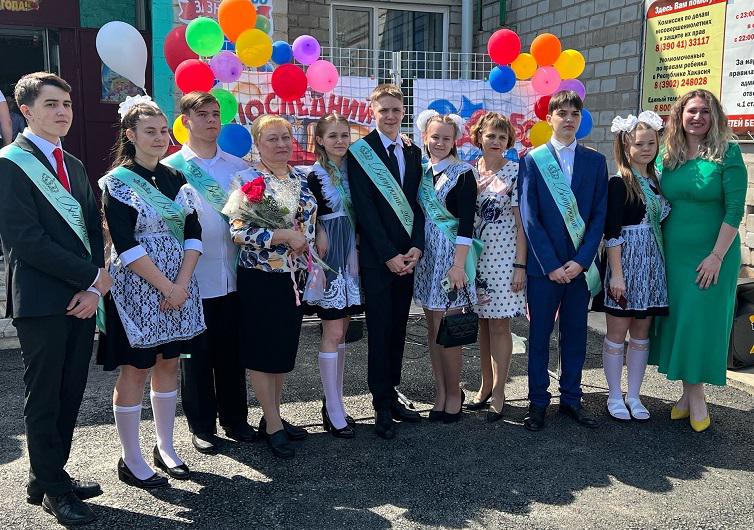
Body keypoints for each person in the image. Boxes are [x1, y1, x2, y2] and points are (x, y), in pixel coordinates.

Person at [0, 72, 111, 526]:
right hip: (42, 300)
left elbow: (91, 231)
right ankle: (54, 489)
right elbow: (25, 240)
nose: (63, 111)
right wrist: (91, 277)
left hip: (82, 297)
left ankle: (47, 476)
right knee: (45, 396)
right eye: (51, 104)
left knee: (70, 392)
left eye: (66, 103)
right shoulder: (10, 163)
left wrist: (94, 288)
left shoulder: (75, 165)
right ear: (26, 111)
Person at [97, 97, 205, 488]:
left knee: (169, 364)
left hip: (180, 284)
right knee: (137, 368)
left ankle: (166, 446)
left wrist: (181, 284)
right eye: (150, 131)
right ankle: (131, 457)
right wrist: (167, 286)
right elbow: (125, 244)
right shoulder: (117, 182)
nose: (160, 138)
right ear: (130, 135)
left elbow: (193, 233)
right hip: (137, 287)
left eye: (163, 131)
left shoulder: (176, 178)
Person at [649, 89, 747, 432]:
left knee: (698, 323)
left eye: (705, 111)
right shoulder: (668, 154)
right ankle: (686, 397)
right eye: (691, 110)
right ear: (680, 115)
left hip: (714, 255)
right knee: (680, 322)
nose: (698, 117)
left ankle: (697, 397)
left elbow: (735, 210)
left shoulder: (728, 152)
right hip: (673, 255)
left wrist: (716, 256)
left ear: (714, 116)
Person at [162, 92, 255, 454]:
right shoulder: (170, 169)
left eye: (216, 114)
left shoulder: (238, 167)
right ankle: (201, 426)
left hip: (234, 276)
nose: (212, 121)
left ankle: (236, 420)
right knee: (195, 358)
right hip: (191, 280)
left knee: (232, 354)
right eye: (202, 115)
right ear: (185, 121)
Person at [227, 115, 317, 459]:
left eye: (285, 138)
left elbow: (309, 221)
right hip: (261, 277)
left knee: (281, 350)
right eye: (272, 139)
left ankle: (272, 416)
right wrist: (282, 235)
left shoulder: (301, 178)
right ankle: (273, 425)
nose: (281, 144)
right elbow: (238, 232)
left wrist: (310, 238)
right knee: (263, 352)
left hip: (293, 278)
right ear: (257, 144)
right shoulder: (248, 180)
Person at [518, 90, 608, 432]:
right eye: (562, 113)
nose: (569, 119)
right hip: (545, 269)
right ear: (549, 118)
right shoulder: (533, 160)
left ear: (580, 119)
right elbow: (529, 217)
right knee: (539, 336)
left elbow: (599, 216)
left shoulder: (595, 162)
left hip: (578, 269)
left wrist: (582, 261)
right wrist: (552, 264)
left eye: (574, 114)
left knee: (575, 336)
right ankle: (537, 402)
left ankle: (571, 398)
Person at [348, 83, 425, 439]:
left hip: (407, 258)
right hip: (380, 260)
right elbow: (365, 210)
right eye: (384, 110)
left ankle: (393, 394)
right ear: (372, 113)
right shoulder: (360, 152)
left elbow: (418, 203)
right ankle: (380, 404)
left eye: (396, 110)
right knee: (379, 332)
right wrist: (388, 255)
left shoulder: (412, 151)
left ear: (403, 111)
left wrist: (417, 247)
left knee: (398, 330)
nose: (390, 116)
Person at [596, 111, 669, 422]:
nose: (646, 149)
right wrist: (617, 276)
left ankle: (635, 395)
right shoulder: (618, 182)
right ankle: (614, 395)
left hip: (652, 265)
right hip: (625, 264)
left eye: (651, 143)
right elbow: (611, 231)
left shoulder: (658, 181)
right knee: (617, 332)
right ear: (626, 146)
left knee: (641, 332)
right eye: (639, 144)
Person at [413, 111, 478, 423]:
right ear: (425, 137)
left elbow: (466, 224)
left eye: (446, 138)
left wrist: (458, 265)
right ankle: (440, 391)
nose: (440, 143)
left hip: (451, 256)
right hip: (427, 256)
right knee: (432, 327)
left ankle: (454, 394)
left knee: (448, 329)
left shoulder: (463, 173)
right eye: (435, 137)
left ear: (455, 141)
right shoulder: (422, 171)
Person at [303, 113, 362, 439]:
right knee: (333, 329)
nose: (340, 141)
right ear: (320, 140)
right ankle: (334, 409)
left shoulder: (355, 170)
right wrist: (319, 230)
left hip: (352, 251)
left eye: (344, 135)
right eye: (333, 136)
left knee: (343, 330)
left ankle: (334, 402)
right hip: (330, 254)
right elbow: (306, 214)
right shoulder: (313, 174)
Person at [468, 112, 527, 422]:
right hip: (475, 259)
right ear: (479, 136)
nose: (496, 141)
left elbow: (521, 224)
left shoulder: (515, 171)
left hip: (504, 259)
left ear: (509, 142)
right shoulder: (469, 170)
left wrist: (520, 265)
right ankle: (485, 384)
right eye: (490, 135)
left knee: (501, 325)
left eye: (502, 137)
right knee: (482, 323)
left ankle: (501, 391)